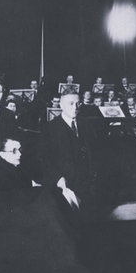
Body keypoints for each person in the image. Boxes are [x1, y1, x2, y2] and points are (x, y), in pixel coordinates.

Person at [39, 93, 98, 225]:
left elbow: (94, 153)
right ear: (61, 105)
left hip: (87, 185)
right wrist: (58, 177)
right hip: (64, 185)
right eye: (71, 103)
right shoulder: (50, 128)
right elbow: (44, 158)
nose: (75, 107)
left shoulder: (86, 125)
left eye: (78, 103)